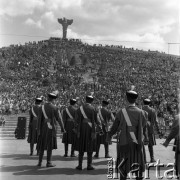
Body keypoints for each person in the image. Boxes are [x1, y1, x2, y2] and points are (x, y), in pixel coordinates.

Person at [106, 90, 148, 180]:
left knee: (123, 166)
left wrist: (109, 135)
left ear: (127, 99)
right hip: (137, 141)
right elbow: (144, 126)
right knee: (138, 164)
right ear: (136, 100)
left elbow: (114, 127)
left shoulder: (121, 112)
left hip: (124, 141)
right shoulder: (142, 112)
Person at [37, 91, 66, 167]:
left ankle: (39, 162)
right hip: (51, 128)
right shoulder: (55, 108)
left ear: (47, 98)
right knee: (49, 145)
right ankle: (48, 162)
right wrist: (63, 128)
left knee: (41, 144)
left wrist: (38, 130)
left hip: (43, 128)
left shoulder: (41, 107)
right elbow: (59, 119)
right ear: (53, 99)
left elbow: (39, 119)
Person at [74, 95, 102, 170]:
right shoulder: (94, 109)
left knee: (81, 147)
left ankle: (80, 165)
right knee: (90, 147)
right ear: (92, 101)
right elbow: (98, 121)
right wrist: (100, 128)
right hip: (91, 130)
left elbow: (76, 120)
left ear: (85, 100)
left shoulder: (79, 109)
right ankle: (89, 165)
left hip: (81, 129)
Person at [142, 98, 160, 162]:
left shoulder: (140, 109)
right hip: (150, 129)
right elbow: (155, 121)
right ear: (149, 103)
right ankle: (152, 158)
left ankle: (143, 159)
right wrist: (158, 129)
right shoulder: (152, 110)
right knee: (150, 145)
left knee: (141, 144)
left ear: (143, 103)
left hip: (141, 129)